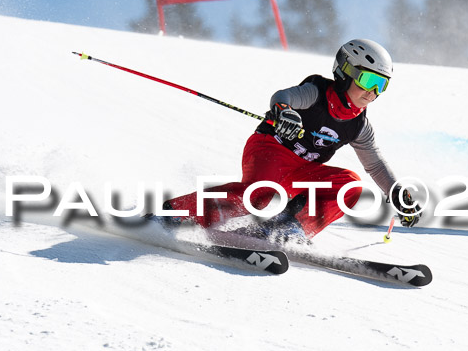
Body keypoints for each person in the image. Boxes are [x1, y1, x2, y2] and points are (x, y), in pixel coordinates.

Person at [160, 39, 421, 243]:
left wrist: (396, 192)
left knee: (350, 186)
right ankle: (175, 212)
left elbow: (374, 165)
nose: (373, 92)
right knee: (259, 196)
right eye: (368, 80)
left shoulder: (359, 125)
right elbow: (283, 96)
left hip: (303, 170)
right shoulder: (317, 93)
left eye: (382, 84)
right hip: (271, 151)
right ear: (346, 72)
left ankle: (288, 228)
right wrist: (284, 111)